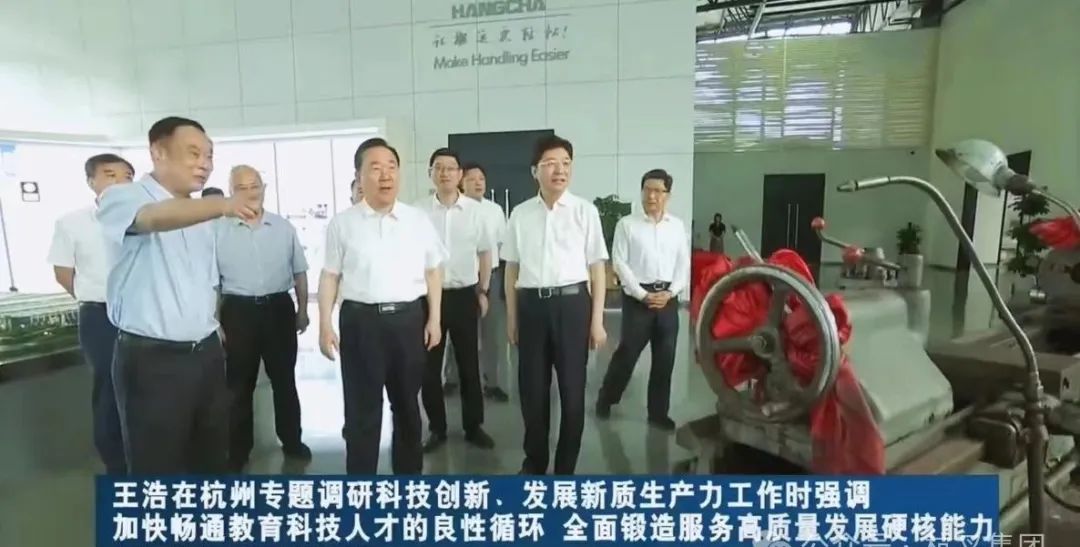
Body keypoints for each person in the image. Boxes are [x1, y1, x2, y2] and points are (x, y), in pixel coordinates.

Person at [97, 116, 260, 473]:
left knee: (211, 460)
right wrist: (222, 204)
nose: (205, 164)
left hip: (205, 355)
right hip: (152, 360)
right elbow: (152, 219)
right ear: (158, 152)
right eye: (194, 153)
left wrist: (212, 323)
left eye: (209, 155)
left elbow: (204, 279)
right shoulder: (123, 197)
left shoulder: (199, 212)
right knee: (157, 467)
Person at [318, 137, 446, 474]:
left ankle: (408, 483)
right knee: (362, 412)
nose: (385, 175)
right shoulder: (342, 224)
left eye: (391, 167)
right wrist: (325, 323)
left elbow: (433, 271)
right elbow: (330, 275)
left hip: (408, 321)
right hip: (360, 324)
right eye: (375, 168)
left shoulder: (417, 220)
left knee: (407, 408)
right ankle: (362, 487)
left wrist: (434, 318)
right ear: (359, 177)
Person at [503, 134, 608, 475]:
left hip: (573, 307)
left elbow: (597, 269)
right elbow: (511, 269)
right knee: (532, 393)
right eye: (550, 164)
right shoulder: (520, 214)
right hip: (531, 307)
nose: (559, 170)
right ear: (535, 171)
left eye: (565, 163)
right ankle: (534, 462)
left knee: (572, 393)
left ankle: (565, 470)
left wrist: (597, 321)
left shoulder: (585, 211)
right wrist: (512, 317)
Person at [216, 165, 312, 472]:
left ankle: (292, 441)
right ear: (231, 192)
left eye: (254, 185)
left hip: (278, 310)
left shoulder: (283, 228)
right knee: (238, 386)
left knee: (284, 381)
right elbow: (212, 282)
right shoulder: (218, 231)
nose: (250, 192)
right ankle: (238, 450)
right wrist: (215, 321)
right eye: (241, 188)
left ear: (264, 188)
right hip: (237, 312)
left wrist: (302, 310)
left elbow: (299, 272)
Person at [46, 153, 134, 474]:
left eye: (127, 176)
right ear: (91, 182)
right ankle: (117, 465)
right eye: (110, 175)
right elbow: (63, 272)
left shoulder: (146, 219)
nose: (120, 182)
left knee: (148, 387)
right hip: (100, 316)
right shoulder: (72, 222)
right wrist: (95, 298)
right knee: (109, 388)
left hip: (142, 315)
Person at [596, 169, 690, 430]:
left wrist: (671, 292)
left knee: (665, 359)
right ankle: (606, 398)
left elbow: (683, 264)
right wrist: (643, 294)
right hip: (639, 300)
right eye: (647, 189)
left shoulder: (677, 226)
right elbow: (620, 263)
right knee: (627, 355)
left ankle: (658, 413)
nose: (651, 196)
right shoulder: (627, 225)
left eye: (658, 191)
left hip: (668, 299)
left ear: (667, 195)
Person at [415, 149, 496, 453]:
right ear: (431, 174)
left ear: (460, 174)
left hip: (464, 295)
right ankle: (436, 428)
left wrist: (483, 291)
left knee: (468, 365)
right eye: (439, 168)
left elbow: (485, 253)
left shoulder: (475, 212)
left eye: (451, 168)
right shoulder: (418, 211)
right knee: (429, 368)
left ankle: (473, 426)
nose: (445, 173)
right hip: (427, 299)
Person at [444, 162, 510, 402]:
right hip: (463, 281)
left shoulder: (494, 210)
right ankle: (452, 379)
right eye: (472, 179)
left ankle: (492, 382)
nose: (478, 183)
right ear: (462, 182)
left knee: (492, 333)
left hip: (491, 276)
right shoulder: (454, 211)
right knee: (458, 333)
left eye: (481, 178)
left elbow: (501, 246)